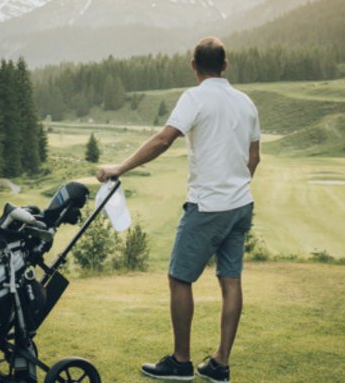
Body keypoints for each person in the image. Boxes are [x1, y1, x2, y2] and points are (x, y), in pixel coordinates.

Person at [96, 36, 260, 383]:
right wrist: (236, 188)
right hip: (241, 204)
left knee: (179, 277)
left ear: (194, 66)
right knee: (230, 281)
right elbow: (254, 158)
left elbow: (163, 139)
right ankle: (220, 364)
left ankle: (181, 362)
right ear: (225, 65)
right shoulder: (246, 103)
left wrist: (118, 169)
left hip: (208, 205)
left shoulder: (194, 97)